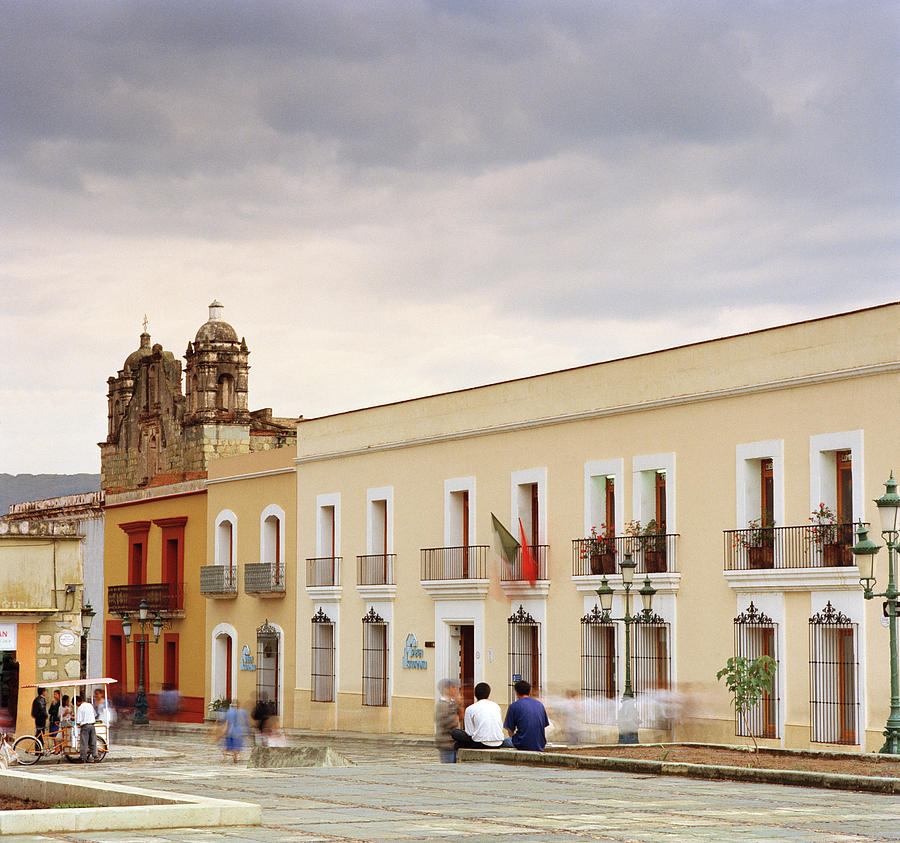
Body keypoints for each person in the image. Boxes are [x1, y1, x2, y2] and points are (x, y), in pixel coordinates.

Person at [450, 682, 513, 749]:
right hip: (498, 742)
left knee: (455, 733)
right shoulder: (496, 706)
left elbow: (469, 733)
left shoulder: (470, 709)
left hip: (481, 743)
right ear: (488, 694)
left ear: (475, 695)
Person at [504, 680, 550, 752]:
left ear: (516, 692)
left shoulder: (514, 706)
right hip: (540, 743)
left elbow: (510, 729)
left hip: (522, 743)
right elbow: (544, 725)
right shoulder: (540, 705)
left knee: (503, 742)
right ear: (529, 691)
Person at [433, 679, 461, 763]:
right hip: (445, 743)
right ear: (446, 689)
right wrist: (455, 718)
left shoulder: (453, 703)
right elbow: (444, 722)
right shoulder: (442, 704)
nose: (455, 689)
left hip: (453, 742)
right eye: (453, 687)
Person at [75, 694, 99, 763]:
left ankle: (83, 758)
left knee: (84, 743)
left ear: (77, 702)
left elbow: (78, 721)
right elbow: (94, 715)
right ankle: (95, 757)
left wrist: (77, 723)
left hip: (85, 726)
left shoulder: (80, 708)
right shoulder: (90, 705)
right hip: (92, 725)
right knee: (93, 742)